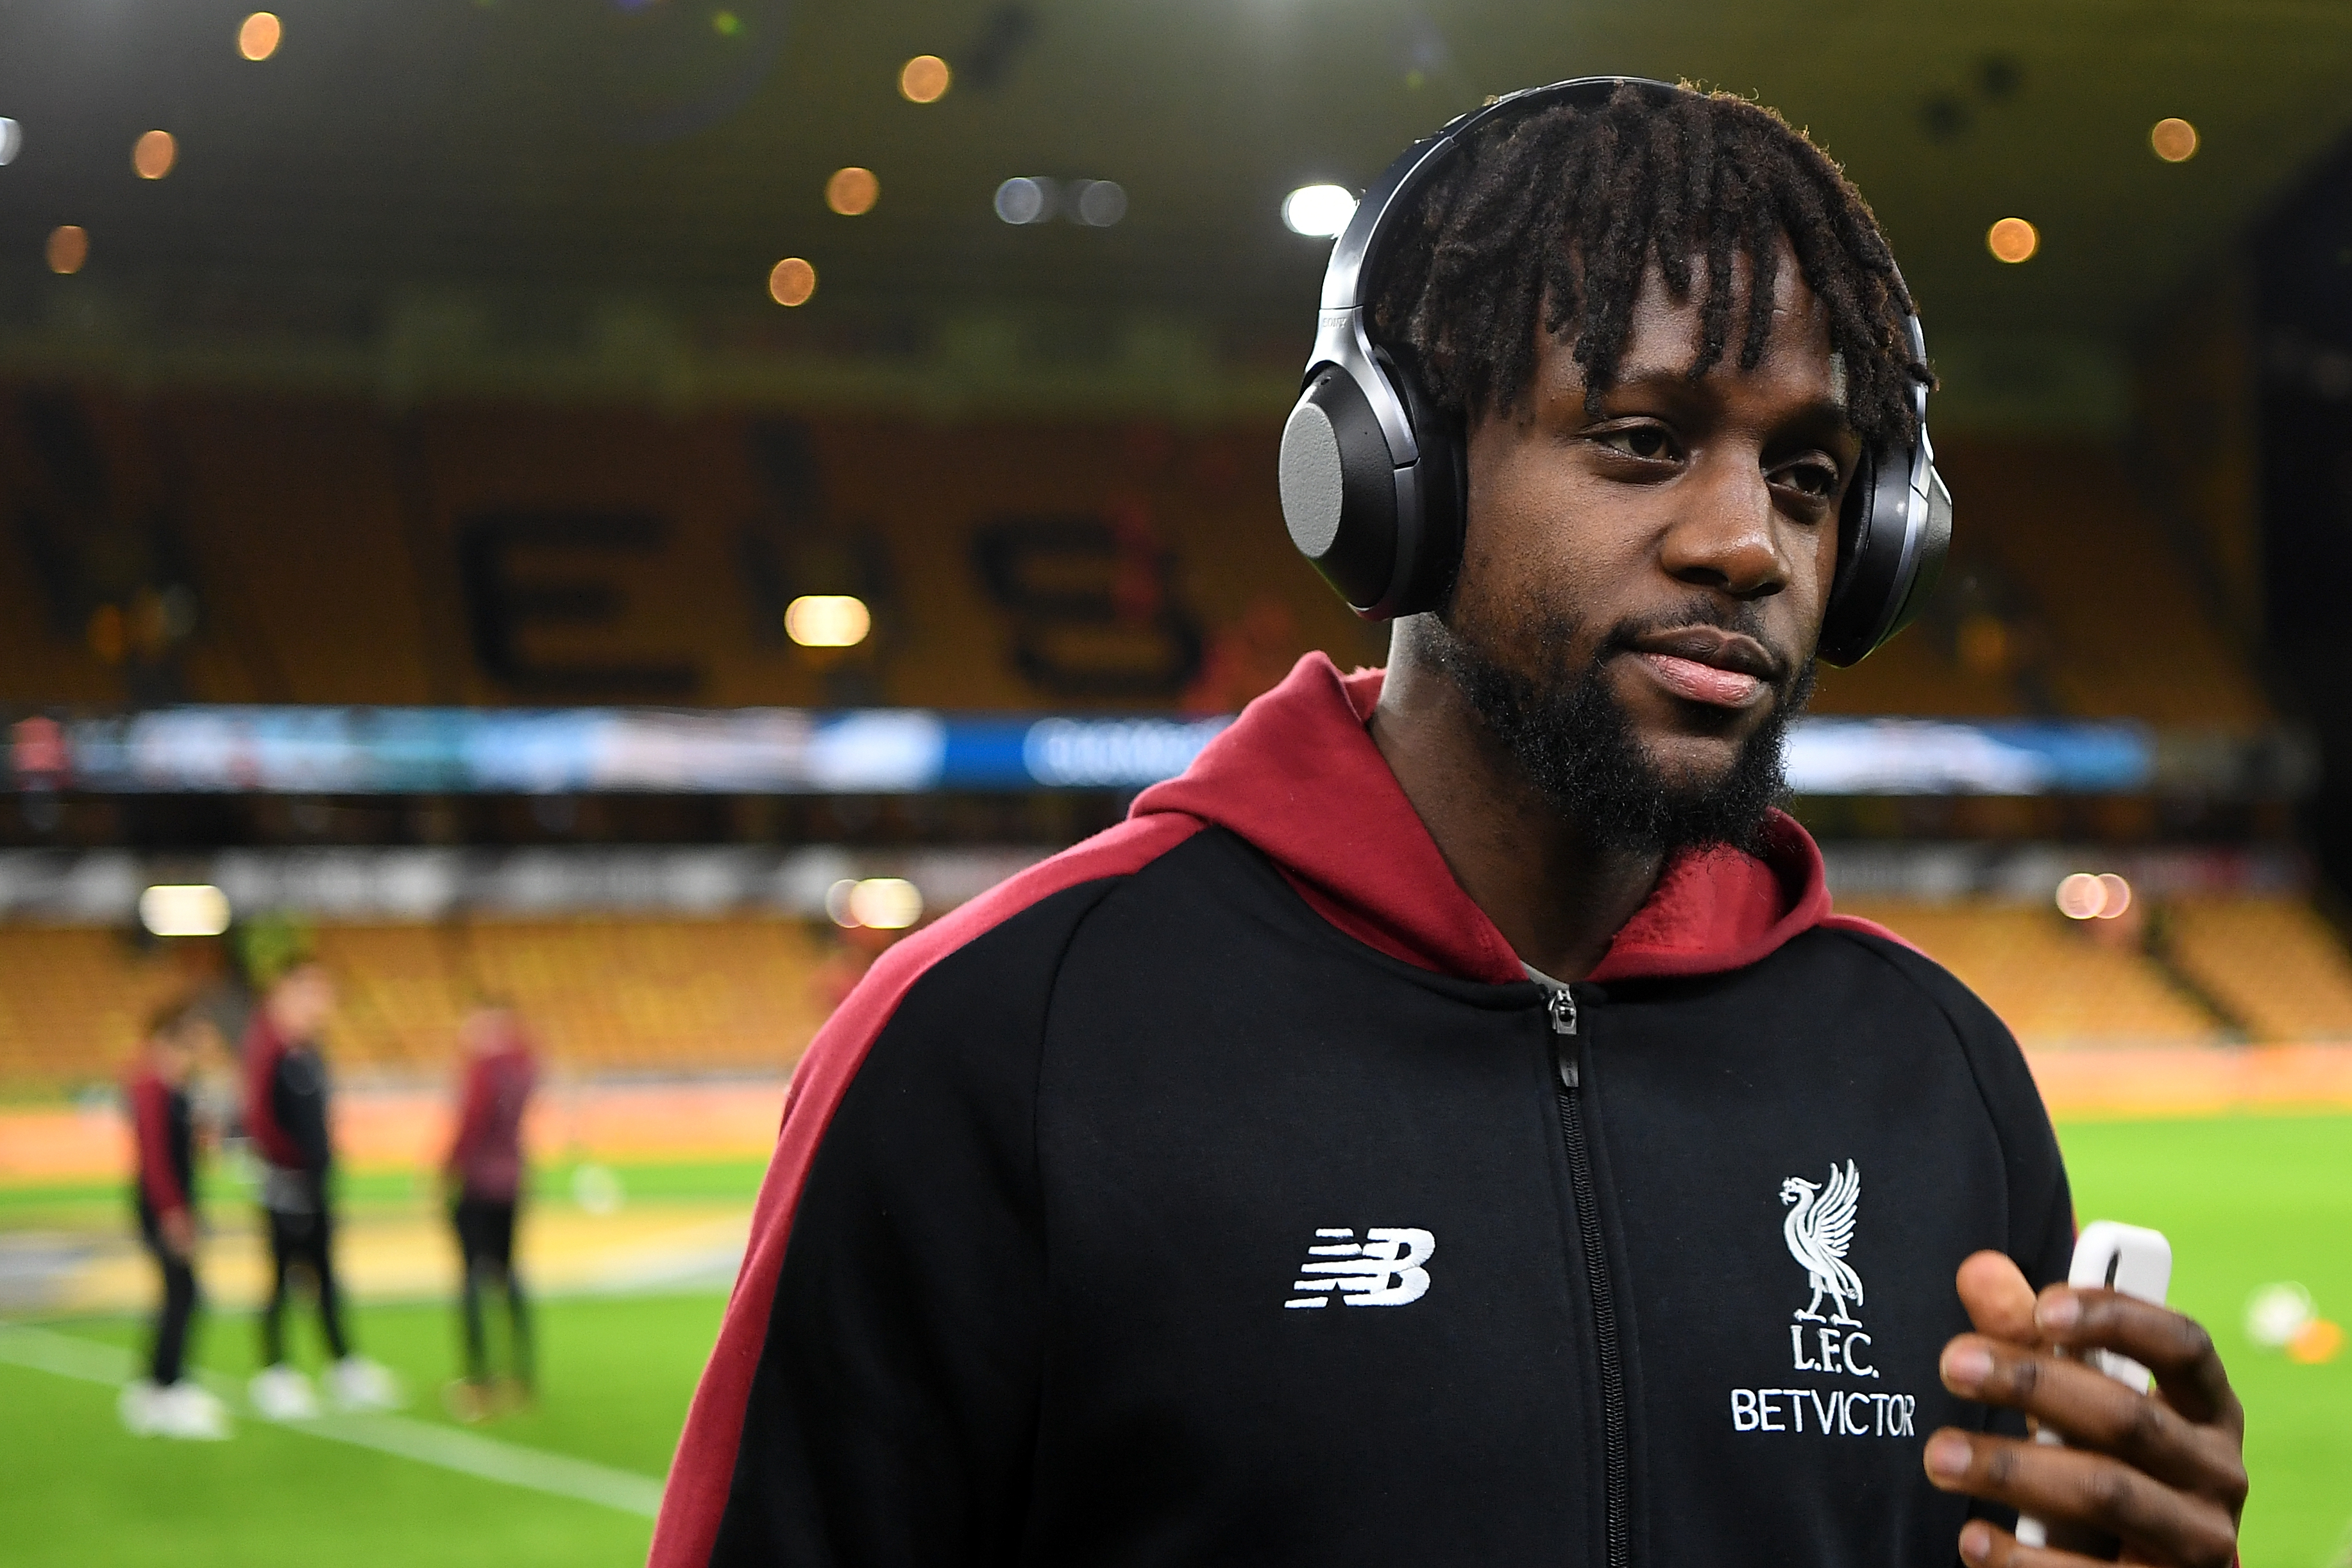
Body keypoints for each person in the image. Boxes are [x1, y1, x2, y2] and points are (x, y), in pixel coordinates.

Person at [652, 81, 2246, 1567]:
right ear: (1386, 473)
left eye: (1812, 475)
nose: (1746, 544)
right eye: (1640, 439)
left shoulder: (1934, 1079)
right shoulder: (1000, 1040)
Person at [241, 956, 401, 1419]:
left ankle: (343, 1365)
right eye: (313, 990)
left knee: (326, 1275)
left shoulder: (310, 1048)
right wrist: (287, 1170)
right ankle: (275, 1371)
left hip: (316, 1180)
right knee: (281, 1277)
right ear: (288, 992)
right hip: (285, 1185)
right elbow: (261, 1121)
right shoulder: (268, 1046)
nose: (323, 1002)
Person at [117, 1002, 232, 1440]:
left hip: (178, 1203)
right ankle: (167, 1389)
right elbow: (155, 1157)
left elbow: (195, 1150)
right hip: (165, 1207)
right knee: (184, 1295)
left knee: (179, 1295)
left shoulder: (178, 1085)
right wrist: (172, 1212)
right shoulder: (151, 1083)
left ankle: (159, 1387)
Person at [441, 1000, 537, 1420]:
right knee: (510, 1274)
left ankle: (479, 1379)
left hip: (478, 1184)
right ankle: (522, 1373)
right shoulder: (522, 1068)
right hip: (513, 1181)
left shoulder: (482, 1070)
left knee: (472, 1280)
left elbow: (470, 1126)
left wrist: (447, 1171)